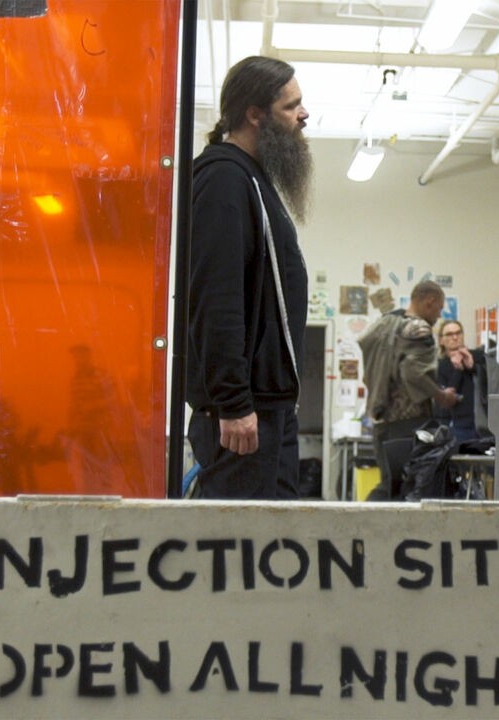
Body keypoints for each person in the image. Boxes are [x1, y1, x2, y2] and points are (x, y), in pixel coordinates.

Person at [186, 56, 313, 499]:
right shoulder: (224, 179)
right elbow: (216, 301)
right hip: (244, 417)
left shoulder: (254, 181)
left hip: (270, 410)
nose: (304, 115)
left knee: (270, 557)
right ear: (254, 114)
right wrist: (234, 403)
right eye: (290, 106)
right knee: (235, 559)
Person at [359, 280, 458, 500]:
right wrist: (442, 396)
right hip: (408, 421)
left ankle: (368, 527)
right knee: (405, 488)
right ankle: (361, 521)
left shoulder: (384, 324)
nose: (439, 315)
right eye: (440, 308)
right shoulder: (419, 328)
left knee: (389, 483)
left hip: (381, 417)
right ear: (430, 302)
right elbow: (413, 373)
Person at [434, 319, 486, 444]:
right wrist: (458, 370)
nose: (455, 337)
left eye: (458, 333)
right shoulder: (439, 366)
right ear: (441, 340)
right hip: (456, 425)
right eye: (450, 334)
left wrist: (472, 367)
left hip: (482, 423)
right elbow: (446, 397)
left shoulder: (478, 356)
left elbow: (490, 383)